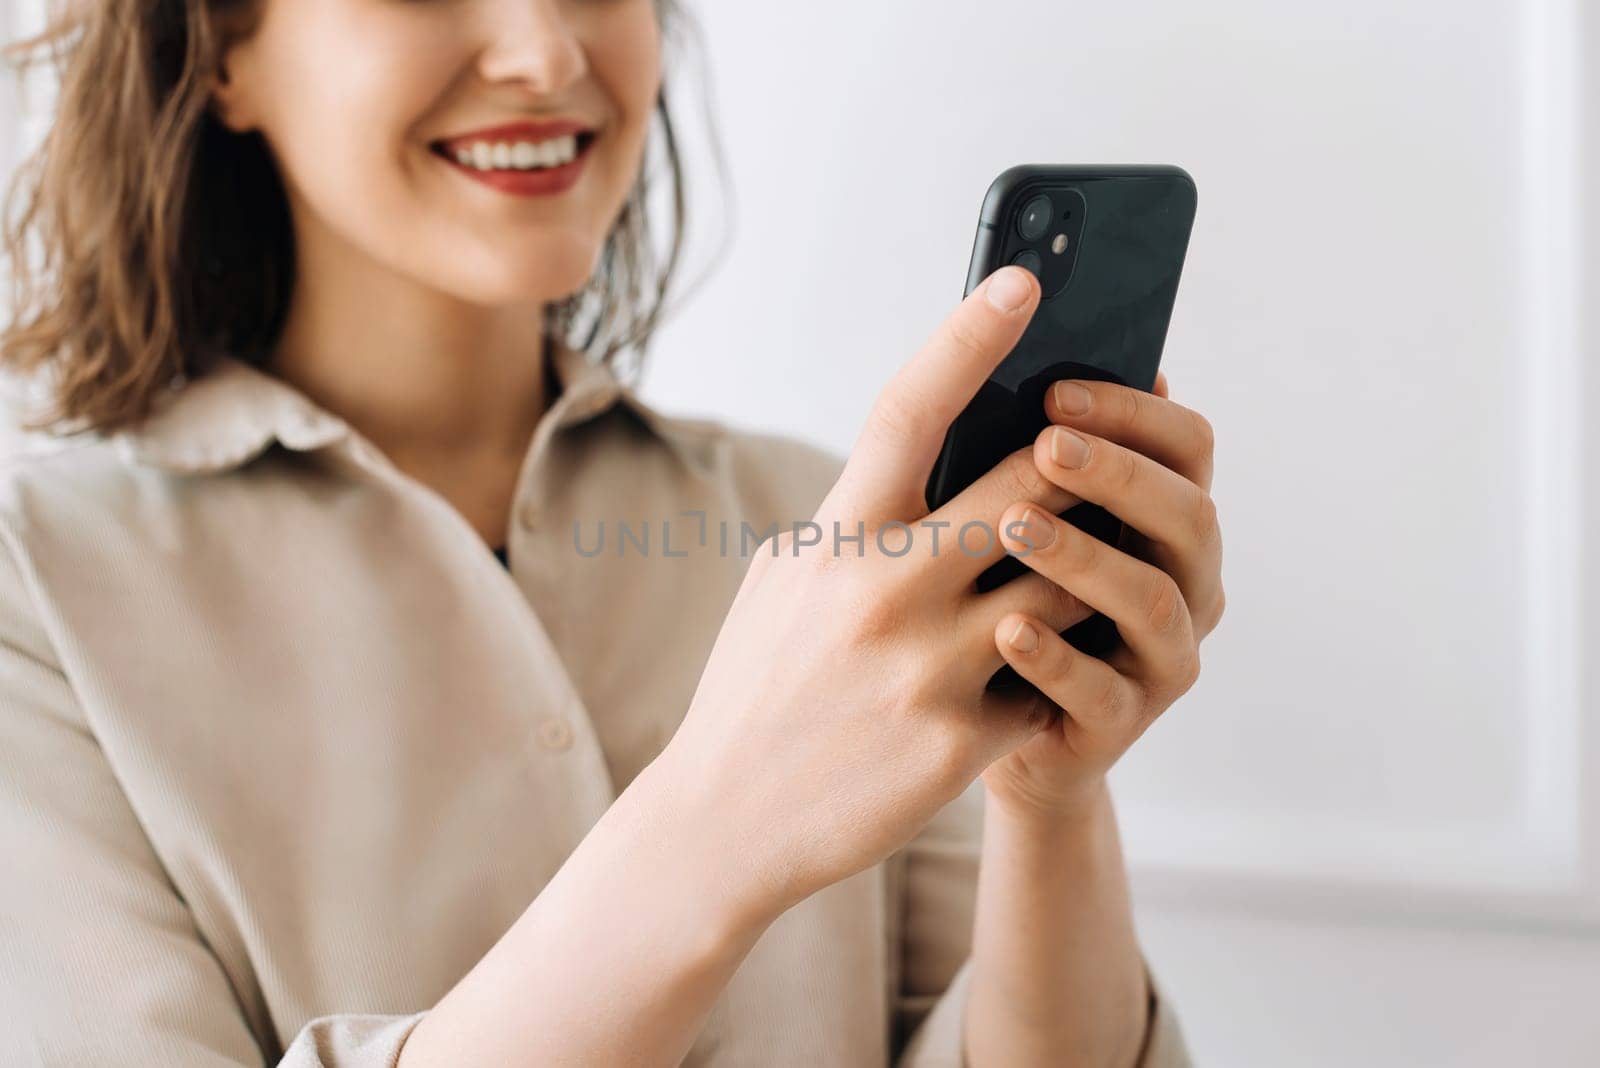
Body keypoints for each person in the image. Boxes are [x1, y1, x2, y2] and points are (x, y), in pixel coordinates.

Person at [0, 1, 1223, 1065]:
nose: (542, 50)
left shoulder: (829, 530)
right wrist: (725, 812)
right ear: (220, 50)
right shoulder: (36, 593)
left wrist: (1047, 799)